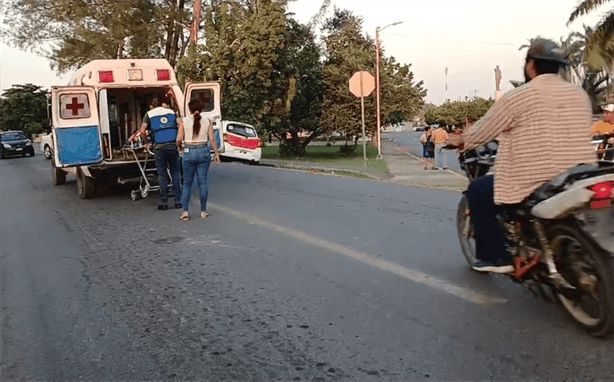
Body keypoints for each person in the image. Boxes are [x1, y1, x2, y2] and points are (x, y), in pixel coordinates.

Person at [446, 38, 596, 273]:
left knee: (479, 191)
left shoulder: (519, 96)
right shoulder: (580, 95)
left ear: (531, 65)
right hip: (580, 173)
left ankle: (497, 258)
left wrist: (459, 139)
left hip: (535, 179)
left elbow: (483, 130)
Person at [176, 99, 221, 221]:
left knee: (187, 183)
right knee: (203, 182)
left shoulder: (184, 121)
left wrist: (180, 147)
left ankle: (185, 211)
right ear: (201, 108)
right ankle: (203, 211)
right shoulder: (207, 121)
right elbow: (212, 139)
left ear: (189, 109)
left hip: (188, 152)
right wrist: (216, 154)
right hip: (203, 152)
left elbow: (179, 139)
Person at [138, 96, 182, 210]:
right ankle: (178, 201)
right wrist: (179, 140)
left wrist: (147, 143)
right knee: (175, 173)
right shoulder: (171, 112)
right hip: (172, 145)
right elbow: (181, 125)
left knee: (162, 175)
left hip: (159, 147)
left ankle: (164, 203)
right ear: (161, 103)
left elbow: (142, 130)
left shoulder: (149, 114)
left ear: (151, 105)